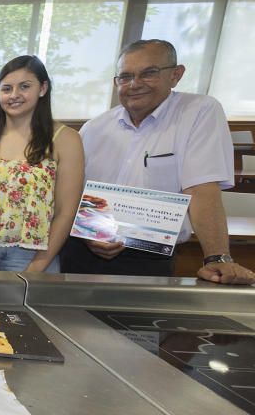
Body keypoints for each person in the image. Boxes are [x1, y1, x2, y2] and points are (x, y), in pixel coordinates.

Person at [60, 39, 255, 284]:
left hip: (146, 258)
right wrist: (91, 234)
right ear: (115, 82)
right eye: (125, 76)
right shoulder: (94, 128)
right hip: (83, 251)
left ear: (176, 74)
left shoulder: (198, 112)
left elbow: (201, 188)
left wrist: (217, 257)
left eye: (149, 73)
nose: (135, 84)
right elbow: (73, 192)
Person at [0, 55, 84, 272]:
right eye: (6, 89)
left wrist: (37, 266)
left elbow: (65, 212)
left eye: (24, 87)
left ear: (43, 88)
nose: (14, 95)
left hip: (33, 255)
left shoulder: (65, 139)